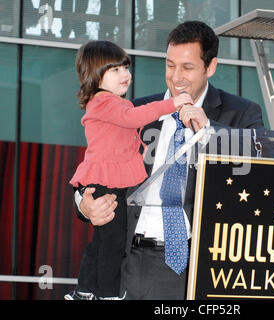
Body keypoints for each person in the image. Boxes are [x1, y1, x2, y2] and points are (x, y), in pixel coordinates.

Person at [75, 21, 274, 299]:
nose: (177, 77)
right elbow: (96, 160)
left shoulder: (239, 113)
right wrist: (84, 204)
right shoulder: (132, 110)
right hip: (126, 263)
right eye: (170, 65)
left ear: (211, 66)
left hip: (193, 267)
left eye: (187, 67)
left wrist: (210, 131)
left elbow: (270, 157)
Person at [65, 40, 193, 300]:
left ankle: (85, 290)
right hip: (106, 180)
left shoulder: (111, 102)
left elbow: (124, 131)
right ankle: (106, 293)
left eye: (126, 67)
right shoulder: (107, 102)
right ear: (94, 74)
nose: (125, 75)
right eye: (115, 70)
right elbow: (132, 118)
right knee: (110, 240)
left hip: (109, 178)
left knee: (102, 241)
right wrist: (172, 105)